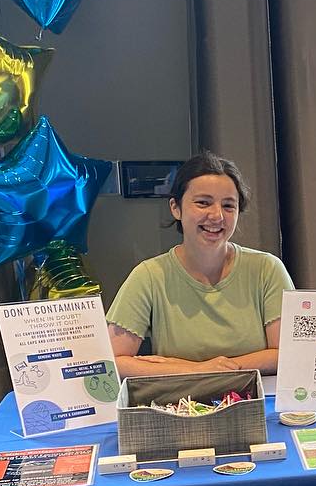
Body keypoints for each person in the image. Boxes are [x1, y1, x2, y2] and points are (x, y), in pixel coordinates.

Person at [108, 152, 294, 376]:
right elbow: (114, 362)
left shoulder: (267, 269)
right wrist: (199, 369)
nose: (217, 216)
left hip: (255, 403)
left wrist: (215, 369)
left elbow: (288, 353)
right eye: (203, 203)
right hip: (178, 405)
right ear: (175, 208)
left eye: (228, 206)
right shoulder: (149, 275)